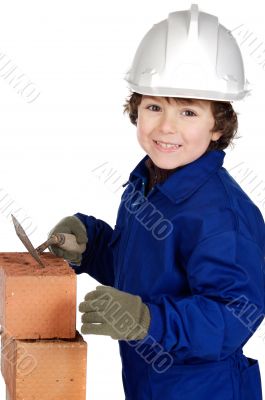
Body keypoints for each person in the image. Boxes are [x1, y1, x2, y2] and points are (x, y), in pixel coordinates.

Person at [48, 4, 265, 399]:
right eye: (154, 107)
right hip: (148, 384)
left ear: (218, 125)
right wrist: (90, 247)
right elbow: (141, 274)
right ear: (136, 110)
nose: (166, 127)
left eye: (188, 111)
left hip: (206, 390)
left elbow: (234, 315)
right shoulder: (145, 186)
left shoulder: (222, 216)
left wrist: (147, 320)